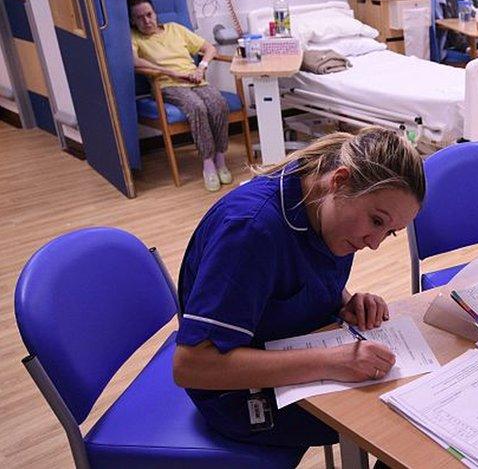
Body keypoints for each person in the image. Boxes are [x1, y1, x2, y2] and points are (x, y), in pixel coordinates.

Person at [172, 127, 425, 451]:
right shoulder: (251, 231)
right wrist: (332, 361)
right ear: (340, 181)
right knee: (399, 417)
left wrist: (345, 301)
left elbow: (295, 277)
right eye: (376, 221)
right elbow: (191, 366)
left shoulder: (318, 202)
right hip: (236, 392)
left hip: (288, 345)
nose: (375, 244)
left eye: (390, 233)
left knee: (410, 396)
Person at [128, 0, 233, 192]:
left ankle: (220, 158)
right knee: (197, 107)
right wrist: (170, 72)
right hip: (168, 84)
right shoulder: (135, 38)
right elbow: (134, 61)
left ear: (155, 13)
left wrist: (201, 67)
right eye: (139, 17)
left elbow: (209, 48)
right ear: (133, 20)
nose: (146, 20)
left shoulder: (175, 29)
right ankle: (208, 164)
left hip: (195, 79)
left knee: (218, 103)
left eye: (149, 14)